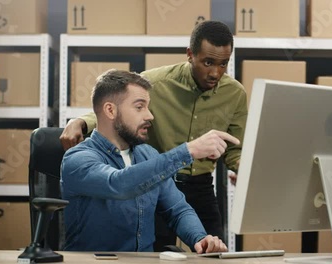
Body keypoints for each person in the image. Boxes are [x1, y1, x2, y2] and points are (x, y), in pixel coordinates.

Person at [60, 21, 248, 250]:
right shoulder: (78, 158)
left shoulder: (147, 155)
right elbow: (119, 183)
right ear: (190, 55)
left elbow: (179, 209)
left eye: (223, 64)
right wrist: (81, 121)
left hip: (197, 184)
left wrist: (200, 239)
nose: (150, 115)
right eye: (140, 107)